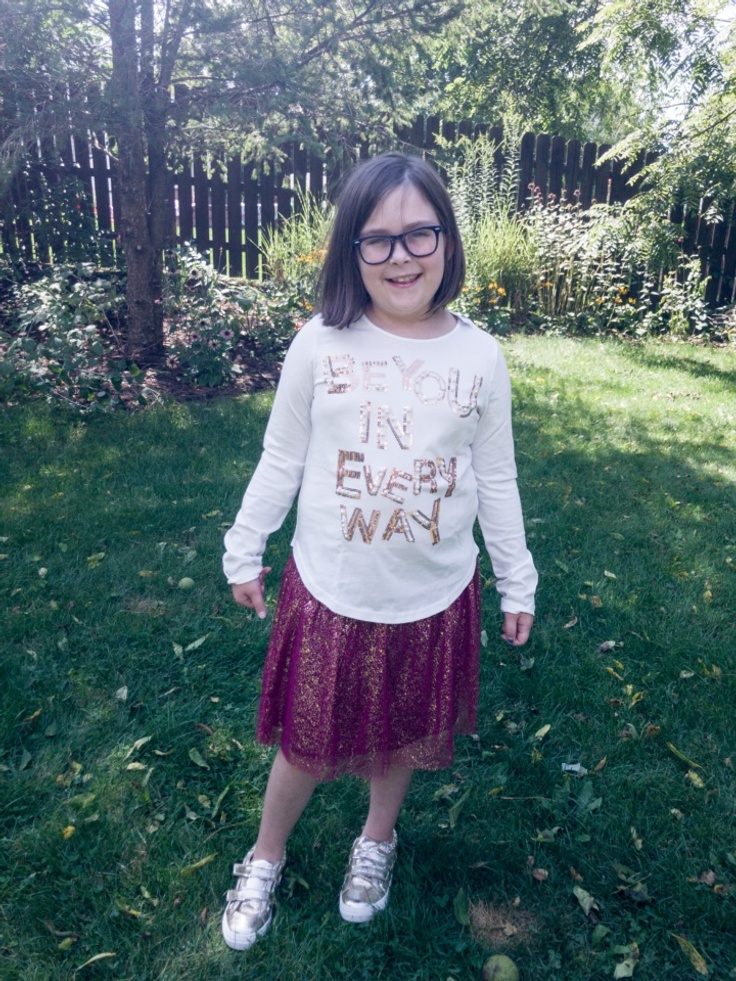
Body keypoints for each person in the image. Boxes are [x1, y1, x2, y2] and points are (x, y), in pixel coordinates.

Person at [220, 151, 537, 951]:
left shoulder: (480, 357)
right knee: (306, 737)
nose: (401, 256)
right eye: (378, 239)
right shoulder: (320, 345)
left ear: (447, 240)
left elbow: (496, 477)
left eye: (419, 234)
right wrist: (244, 545)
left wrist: (518, 580)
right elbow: (281, 458)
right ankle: (266, 852)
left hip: (432, 595)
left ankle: (376, 840)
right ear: (351, 251)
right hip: (332, 588)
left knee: (400, 732)